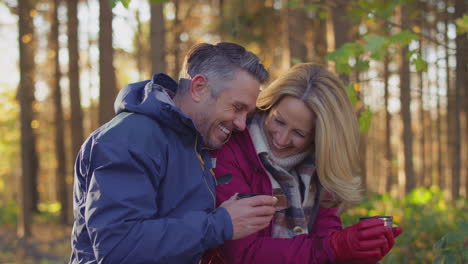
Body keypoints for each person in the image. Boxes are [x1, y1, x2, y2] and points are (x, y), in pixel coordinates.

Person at [69, 42, 279, 264]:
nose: (241, 124)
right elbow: (118, 248)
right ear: (199, 88)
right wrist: (221, 223)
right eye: (237, 107)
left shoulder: (194, 143)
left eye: (247, 113)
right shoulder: (129, 139)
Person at [203, 63, 403, 263]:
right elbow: (242, 253)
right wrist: (333, 247)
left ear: (318, 138)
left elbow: (326, 241)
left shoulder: (320, 167)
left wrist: (352, 251)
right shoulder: (232, 151)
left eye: (299, 133)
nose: (281, 140)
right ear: (270, 105)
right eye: (278, 121)